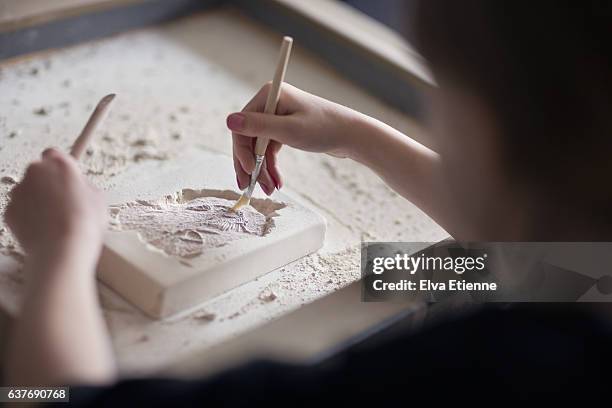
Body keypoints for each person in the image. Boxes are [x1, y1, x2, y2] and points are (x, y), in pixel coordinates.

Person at [3, 0, 611, 405]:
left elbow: (49, 398)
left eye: (442, 101)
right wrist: (354, 138)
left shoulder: (474, 370)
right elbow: (566, 269)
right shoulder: (589, 269)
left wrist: (59, 254)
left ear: (508, 136)